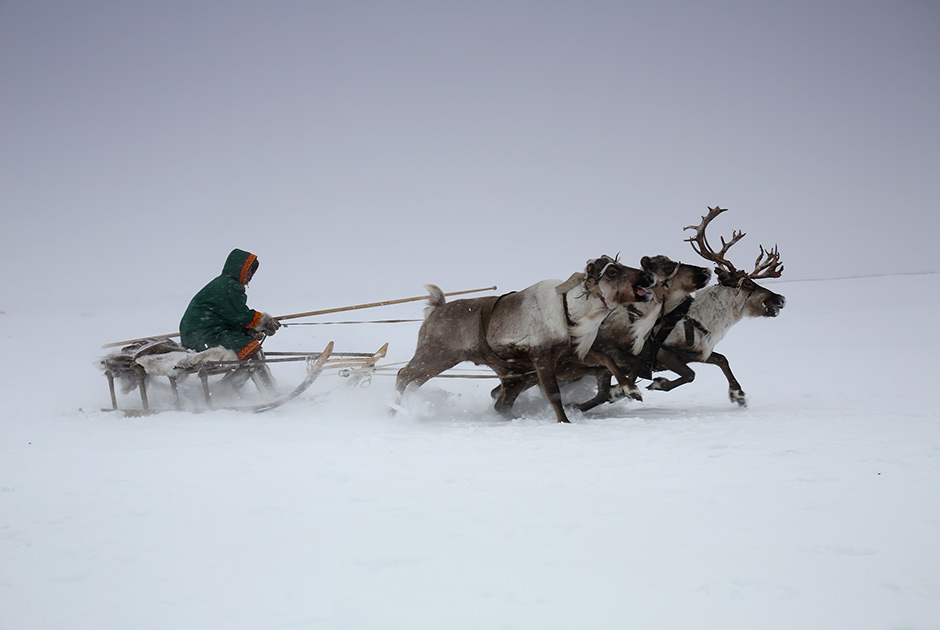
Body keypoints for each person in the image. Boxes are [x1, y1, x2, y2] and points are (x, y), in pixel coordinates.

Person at [179, 248, 281, 360]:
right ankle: (265, 377)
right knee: (250, 349)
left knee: (245, 343)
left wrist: (248, 329)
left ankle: (239, 377)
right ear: (241, 269)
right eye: (250, 270)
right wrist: (264, 322)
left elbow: (229, 317)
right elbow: (239, 315)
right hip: (202, 335)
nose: (251, 275)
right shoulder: (229, 286)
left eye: (253, 271)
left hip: (199, 333)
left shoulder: (225, 283)